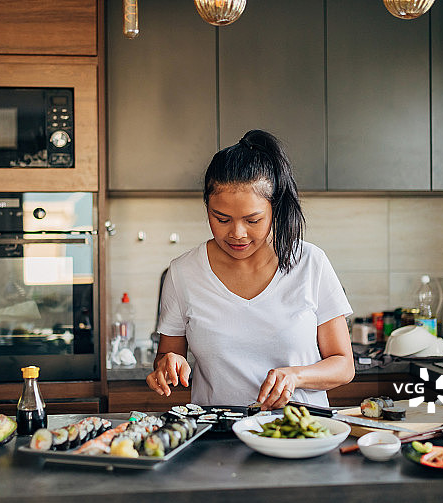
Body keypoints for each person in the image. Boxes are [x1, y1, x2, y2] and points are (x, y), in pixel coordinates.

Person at [145, 130, 354, 410]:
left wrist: (296, 375)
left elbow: (343, 365)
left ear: (274, 210)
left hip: (301, 433)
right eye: (221, 219)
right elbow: (167, 355)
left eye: (253, 220)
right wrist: (168, 365)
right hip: (216, 436)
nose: (237, 233)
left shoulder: (310, 262)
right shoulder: (183, 272)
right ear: (207, 208)